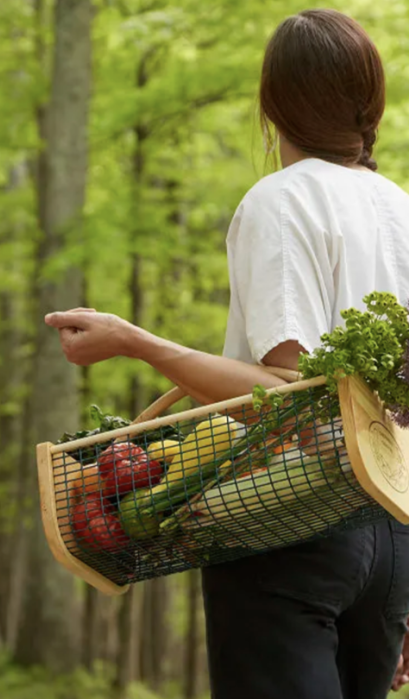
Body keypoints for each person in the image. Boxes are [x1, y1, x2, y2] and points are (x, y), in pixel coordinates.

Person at [44, 9, 409, 699]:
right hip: (392, 533)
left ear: (271, 104)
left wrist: (136, 341)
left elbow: (289, 394)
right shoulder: (399, 207)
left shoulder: (279, 202)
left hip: (292, 523)